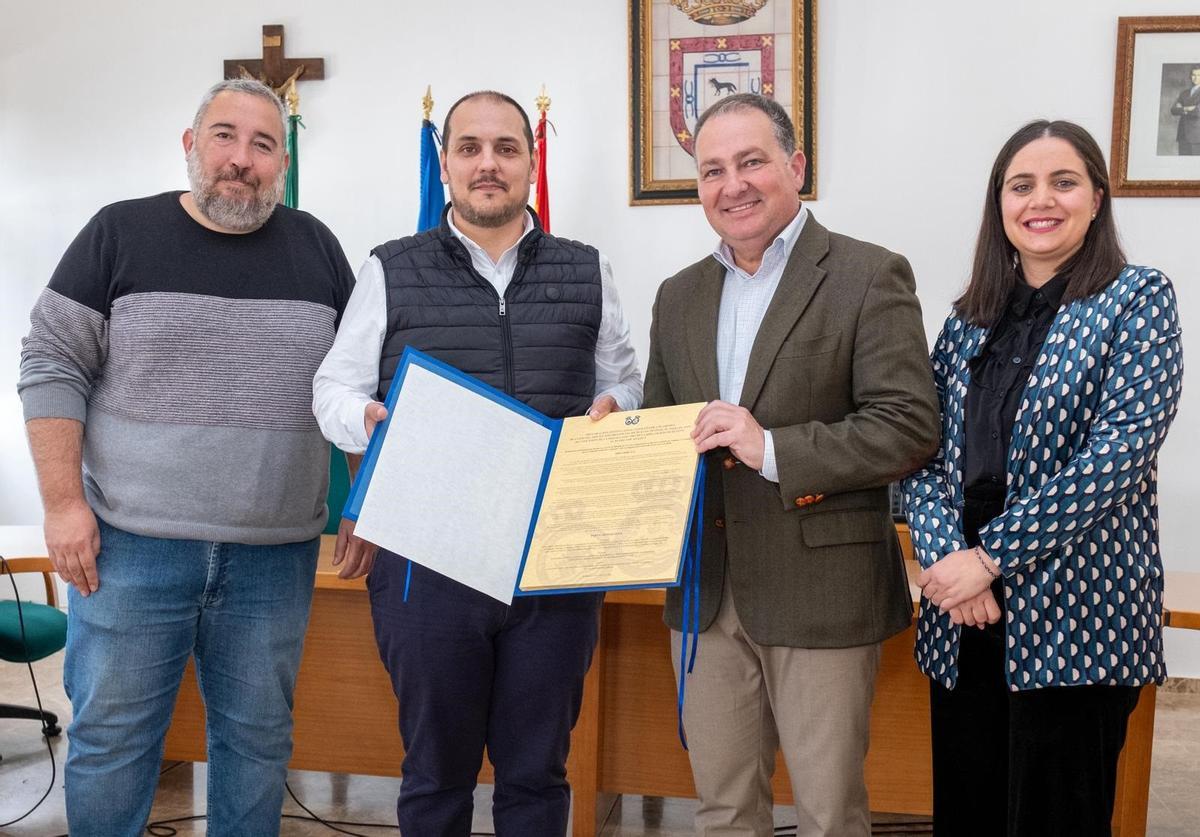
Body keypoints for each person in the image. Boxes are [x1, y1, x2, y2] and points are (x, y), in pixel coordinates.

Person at [16, 78, 369, 837]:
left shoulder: (318, 249)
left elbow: (356, 389)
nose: (241, 158)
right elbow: (51, 362)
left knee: (258, 743)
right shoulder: (119, 233)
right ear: (190, 144)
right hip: (128, 550)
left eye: (264, 144)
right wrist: (63, 504)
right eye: (224, 136)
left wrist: (365, 500)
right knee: (112, 742)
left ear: (282, 162)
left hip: (274, 557)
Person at [312, 89, 642, 836]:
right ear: (446, 164)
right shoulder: (390, 268)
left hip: (555, 559)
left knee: (537, 774)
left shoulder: (588, 270)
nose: (487, 164)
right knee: (435, 774)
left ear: (531, 162)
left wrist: (615, 405)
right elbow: (332, 388)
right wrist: (368, 420)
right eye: (469, 148)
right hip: (424, 560)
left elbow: (625, 381)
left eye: (506, 148)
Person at [641, 93, 940, 836]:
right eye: (712, 170)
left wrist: (770, 447)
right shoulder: (678, 296)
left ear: (796, 167)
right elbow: (664, 432)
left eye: (751, 162)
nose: (732, 185)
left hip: (822, 591)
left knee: (829, 814)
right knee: (722, 810)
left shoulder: (868, 274)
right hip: (705, 594)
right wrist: (620, 440)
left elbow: (908, 427)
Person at [902, 119, 1182, 836]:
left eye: (1063, 182)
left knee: (1059, 817)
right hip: (965, 614)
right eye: (1021, 185)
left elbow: (1117, 455)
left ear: (1097, 196)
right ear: (999, 203)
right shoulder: (968, 320)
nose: (1041, 200)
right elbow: (921, 452)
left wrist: (990, 558)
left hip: (1078, 609)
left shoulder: (1138, 298)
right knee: (968, 813)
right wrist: (949, 561)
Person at [1170, 66, 1200, 155]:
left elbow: (1198, 111)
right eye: (1193, 75)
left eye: (1199, 75)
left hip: (1196, 136)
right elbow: (1173, 110)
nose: (1195, 77)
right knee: (1182, 162)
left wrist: (1182, 108)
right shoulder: (1184, 93)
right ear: (1190, 76)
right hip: (1182, 135)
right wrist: (1187, 108)